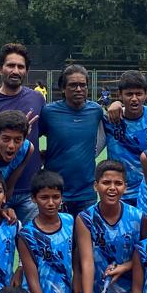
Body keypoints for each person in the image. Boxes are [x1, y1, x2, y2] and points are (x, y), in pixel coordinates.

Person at [16, 171, 74, 293]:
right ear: (33, 199)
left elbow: (78, 258)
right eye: (44, 197)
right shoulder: (26, 234)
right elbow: (32, 281)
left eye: (55, 197)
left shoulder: (70, 223)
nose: (51, 203)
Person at [76, 160, 146, 293]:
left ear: (125, 187)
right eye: (106, 182)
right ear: (96, 186)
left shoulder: (138, 217)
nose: (112, 188)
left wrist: (125, 266)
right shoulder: (85, 218)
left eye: (118, 183)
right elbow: (87, 262)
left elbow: (146, 255)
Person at [39, 63, 105, 216]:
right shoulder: (49, 112)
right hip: (55, 192)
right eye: (73, 85)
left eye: (83, 85)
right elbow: (32, 137)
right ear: (63, 88)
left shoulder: (96, 111)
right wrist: (38, 157)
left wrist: (117, 103)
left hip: (86, 193)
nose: (79, 89)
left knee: (86, 231)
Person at [101, 71, 147, 208]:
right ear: (120, 95)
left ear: (146, 94)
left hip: (146, 190)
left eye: (139, 94)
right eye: (129, 94)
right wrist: (115, 103)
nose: (134, 98)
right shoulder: (108, 119)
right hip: (118, 191)